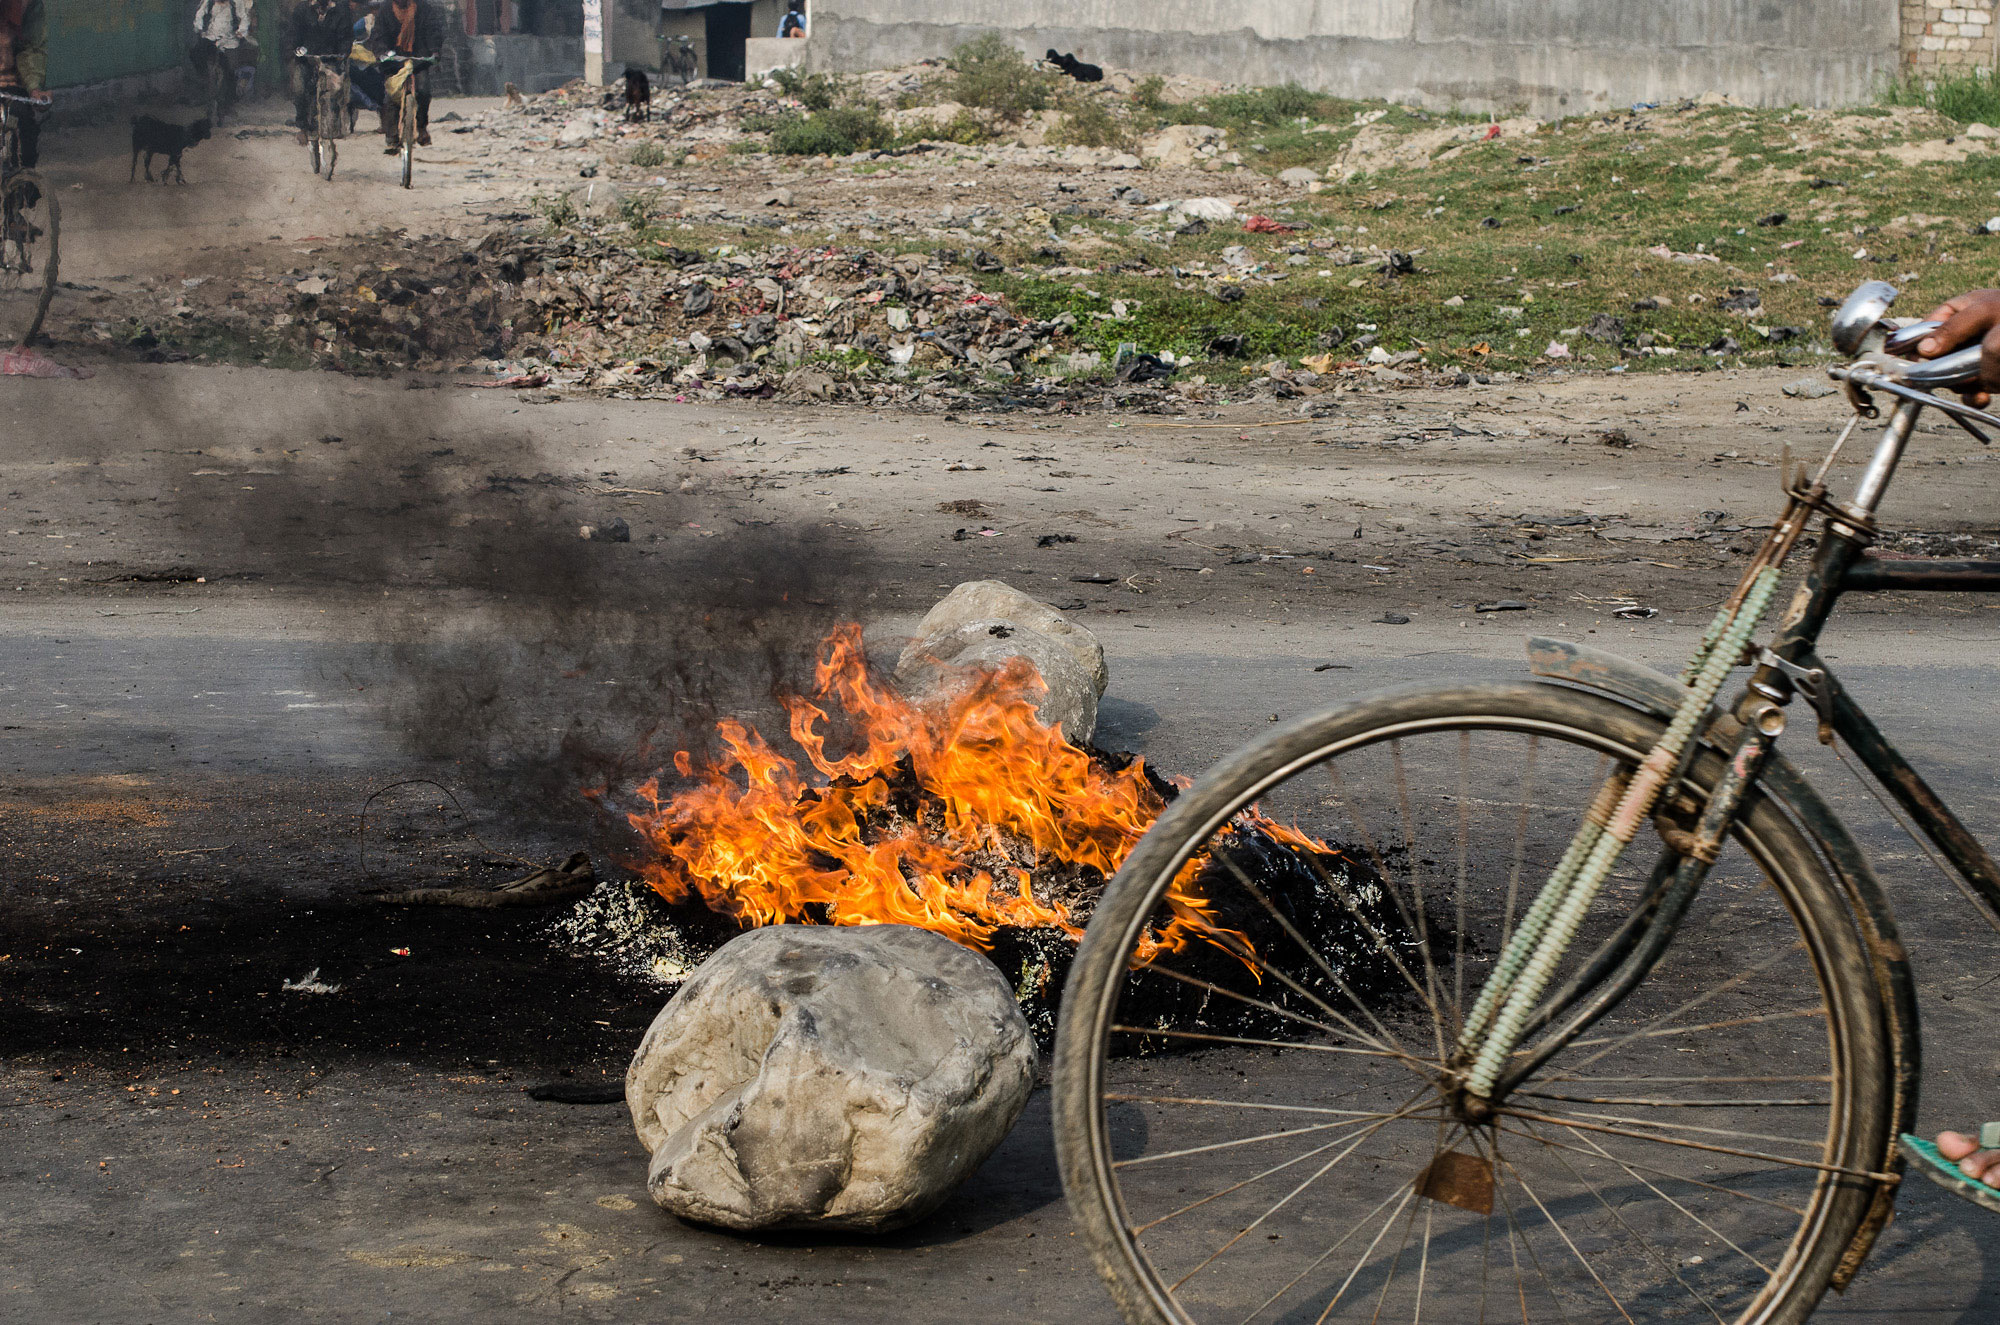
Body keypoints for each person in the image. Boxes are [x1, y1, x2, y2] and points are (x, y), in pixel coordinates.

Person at [367, 0, 444, 152]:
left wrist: (434, 50)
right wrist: (382, 52)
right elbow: (378, 35)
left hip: (418, 59)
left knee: (423, 91)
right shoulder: (385, 9)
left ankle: (421, 128)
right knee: (391, 95)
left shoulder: (422, 7)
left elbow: (433, 30)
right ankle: (392, 135)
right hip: (393, 60)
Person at [286, 0, 351, 145]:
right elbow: (292, 34)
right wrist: (296, 49)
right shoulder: (302, 10)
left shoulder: (340, 10)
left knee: (336, 89)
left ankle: (335, 123)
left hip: (330, 61)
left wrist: (343, 52)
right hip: (306, 61)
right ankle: (302, 127)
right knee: (299, 88)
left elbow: (346, 36)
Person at [0, 0, 47, 170]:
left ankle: (26, 186)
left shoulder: (27, 4)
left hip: (15, 85)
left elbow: (32, 48)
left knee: (26, 137)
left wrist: (34, 87)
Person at [191, 0, 256, 112]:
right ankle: (204, 91)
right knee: (196, 54)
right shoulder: (209, 2)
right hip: (210, 37)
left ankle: (227, 103)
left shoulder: (236, 3)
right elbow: (199, 15)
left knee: (230, 70)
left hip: (229, 40)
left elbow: (244, 19)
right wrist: (200, 29)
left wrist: (241, 31)